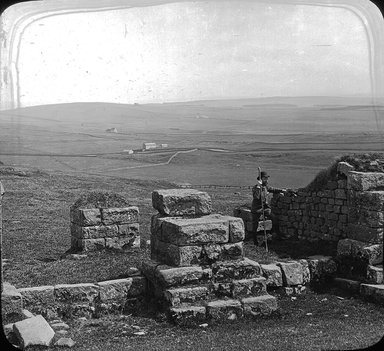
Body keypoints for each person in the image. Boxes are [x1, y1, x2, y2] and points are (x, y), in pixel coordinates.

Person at [251, 171, 286, 243]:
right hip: (257, 209)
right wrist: (258, 187)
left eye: (267, 178)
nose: (267, 180)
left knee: (274, 218)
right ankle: (255, 240)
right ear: (260, 179)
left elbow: (272, 189)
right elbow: (256, 197)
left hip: (265, 208)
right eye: (265, 178)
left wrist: (282, 190)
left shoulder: (265, 186)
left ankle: (276, 235)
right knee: (255, 224)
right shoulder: (256, 187)